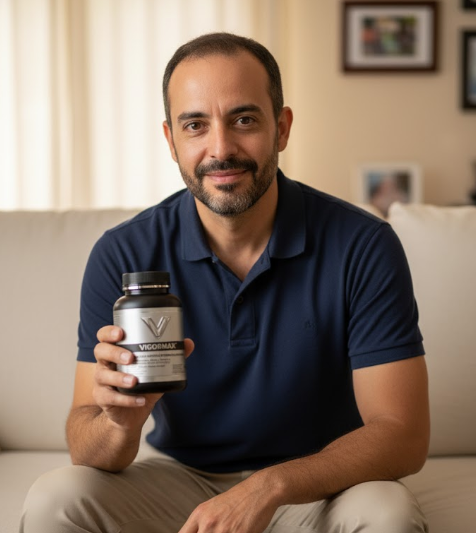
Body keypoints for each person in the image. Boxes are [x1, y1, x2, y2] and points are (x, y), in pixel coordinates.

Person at [21, 32, 430, 533]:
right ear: (171, 140)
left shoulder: (363, 244)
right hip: (181, 481)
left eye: (244, 120)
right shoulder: (123, 253)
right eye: (195, 125)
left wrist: (268, 487)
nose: (221, 149)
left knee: (388, 514)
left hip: (322, 486)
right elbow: (87, 445)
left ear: (282, 128)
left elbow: (403, 435)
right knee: (55, 500)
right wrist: (118, 423)